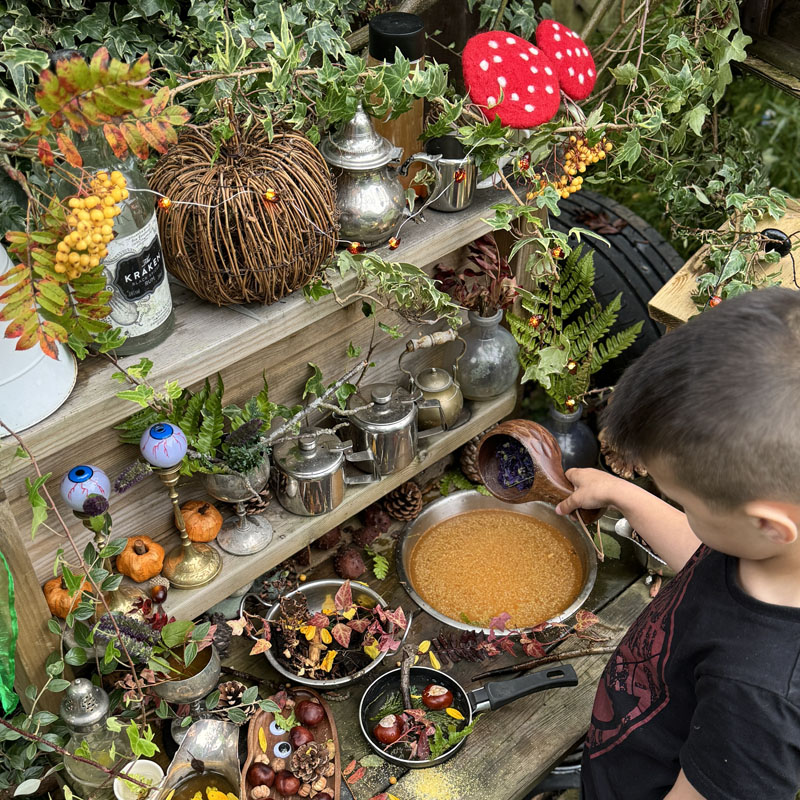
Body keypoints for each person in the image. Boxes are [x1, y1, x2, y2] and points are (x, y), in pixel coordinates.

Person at [554, 286, 800, 799]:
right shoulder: (766, 550)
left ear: (769, 524)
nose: (684, 510)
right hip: (625, 747)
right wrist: (626, 496)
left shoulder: (758, 700)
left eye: (684, 500)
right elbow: (703, 556)